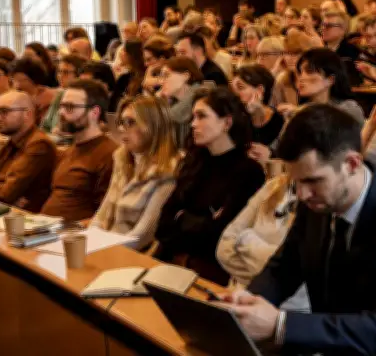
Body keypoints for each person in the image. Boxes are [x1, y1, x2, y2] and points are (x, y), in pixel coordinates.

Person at [223, 103, 376, 355]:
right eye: (296, 181)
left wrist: (281, 324)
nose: (302, 194)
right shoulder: (316, 201)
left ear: (352, 163)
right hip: (331, 345)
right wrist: (247, 303)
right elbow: (284, 268)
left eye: (313, 180)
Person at [155, 87, 265, 285]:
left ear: (227, 123)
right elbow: (162, 224)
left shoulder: (248, 172)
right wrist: (199, 222)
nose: (193, 124)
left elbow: (220, 237)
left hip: (209, 273)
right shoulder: (194, 162)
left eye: (201, 116)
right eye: (193, 117)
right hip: (172, 262)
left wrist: (181, 218)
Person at [91, 96, 180, 251]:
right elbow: (102, 213)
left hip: (132, 255)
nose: (120, 129)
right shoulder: (122, 159)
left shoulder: (167, 171)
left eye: (130, 122)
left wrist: (101, 249)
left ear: (153, 126)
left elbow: (142, 235)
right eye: (121, 122)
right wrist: (89, 237)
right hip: (107, 246)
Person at [216, 174, 310, 312]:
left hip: (285, 313)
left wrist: (246, 239)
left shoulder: (315, 199)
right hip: (238, 297)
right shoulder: (273, 186)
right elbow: (223, 249)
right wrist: (262, 274)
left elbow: (299, 289)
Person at [40, 79, 119, 222]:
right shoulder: (69, 151)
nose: (61, 113)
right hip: (46, 229)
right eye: (61, 106)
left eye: (70, 107)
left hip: (74, 237)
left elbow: (104, 215)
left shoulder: (110, 154)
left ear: (94, 112)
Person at [0, 91, 57, 212]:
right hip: (3, 209)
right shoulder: (10, 143)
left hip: (26, 217)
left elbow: (6, 194)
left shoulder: (38, 144)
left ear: (27, 114)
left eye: (4, 111)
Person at [297, 48, 365, 122]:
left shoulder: (348, 110)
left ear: (330, 79)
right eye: (300, 72)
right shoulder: (301, 109)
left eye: (310, 71)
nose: (301, 77)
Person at [231, 65, 285, 151]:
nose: (235, 94)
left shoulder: (280, 120)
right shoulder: (234, 118)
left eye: (240, 87)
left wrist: (257, 113)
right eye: (232, 90)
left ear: (259, 90)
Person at [157, 56, 204, 145]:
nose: (161, 81)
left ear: (186, 76)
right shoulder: (174, 101)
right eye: (161, 76)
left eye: (166, 75)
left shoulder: (200, 98)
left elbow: (163, 119)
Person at [40, 54, 87, 134]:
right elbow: (45, 126)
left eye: (65, 72)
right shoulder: (60, 95)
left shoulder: (83, 99)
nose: (60, 76)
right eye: (59, 71)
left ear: (78, 75)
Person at [272, 29, 317, 109]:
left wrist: (295, 111)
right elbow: (273, 109)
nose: (289, 58)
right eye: (286, 53)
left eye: (296, 53)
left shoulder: (316, 79)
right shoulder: (282, 80)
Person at [321, 10, 363, 86]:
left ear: (343, 30)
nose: (323, 28)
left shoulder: (352, 52)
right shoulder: (318, 51)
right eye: (323, 25)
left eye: (329, 26)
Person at [11, 57, 56, 124]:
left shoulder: (47, 98)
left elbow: (45, 126)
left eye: (22, 80)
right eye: (15, 80)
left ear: (34, 79)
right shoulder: (16, 96)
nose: (17, 85)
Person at [111, 39, 146, 112]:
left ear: (131, 54)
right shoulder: (124, 77)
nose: (120, 53)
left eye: (124, 50)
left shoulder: (144, 77)